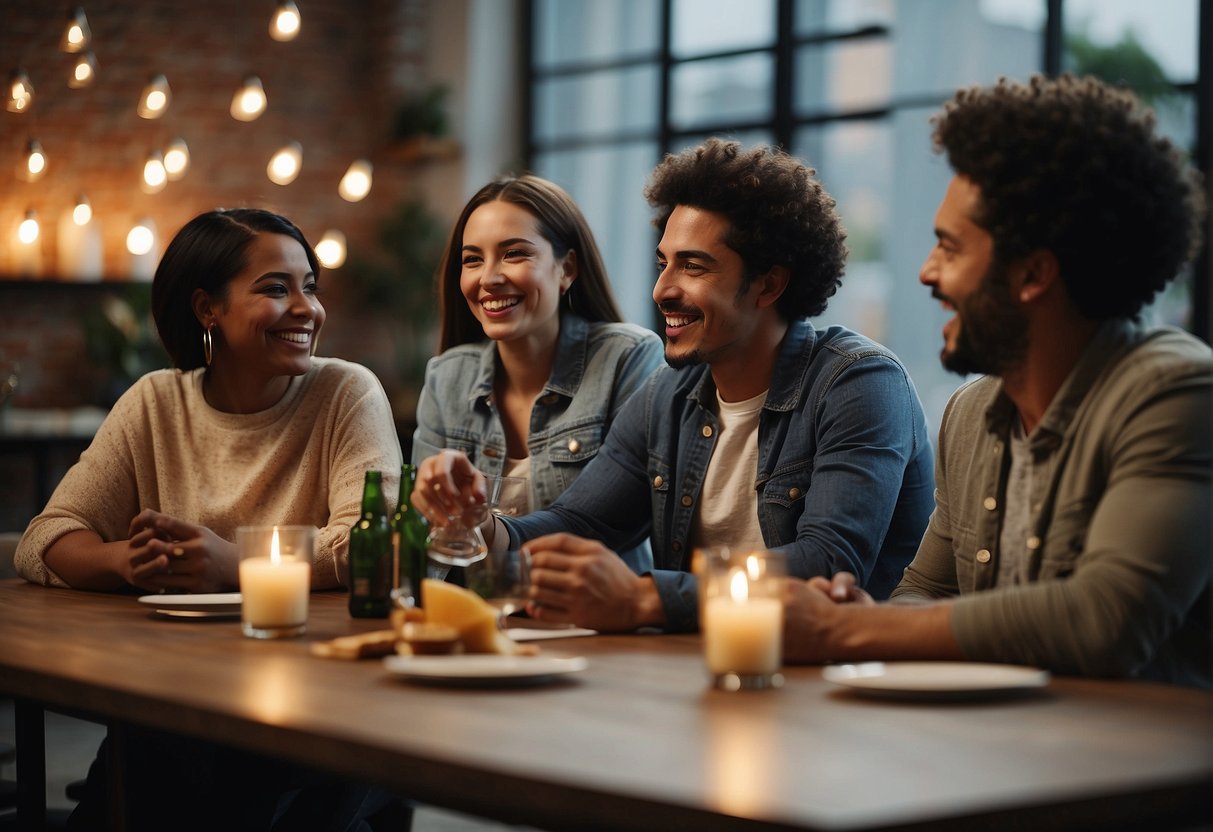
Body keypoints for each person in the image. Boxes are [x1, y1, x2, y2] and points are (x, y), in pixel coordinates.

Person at [783, 74, 1211, 688]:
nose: (928, 274)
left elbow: (1107, 619)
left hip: (1143, 774)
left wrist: (845, 631)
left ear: (1033, 273)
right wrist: (863, 616)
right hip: (998, 761)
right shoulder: (971, 413)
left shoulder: (1174, 395)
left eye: (950, 249)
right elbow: (923, 598)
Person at [414, 139, 935, 633]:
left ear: (770, 284)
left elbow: (825, 564)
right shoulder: (669, 395)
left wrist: (646, 598)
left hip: (847, 687)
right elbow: (577, 521)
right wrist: (480, 523)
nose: (662, 289)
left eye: (693, 266)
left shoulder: (859, 383)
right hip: (697, 676)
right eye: (664, 263)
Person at [14, 208, 405, 829]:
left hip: (323, 706)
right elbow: (46, 537)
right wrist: (125, 560)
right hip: (180, 696)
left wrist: (232, 562)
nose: (307, 308)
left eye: (310, 286)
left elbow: (373, 546)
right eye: (277, 289)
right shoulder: (154, 402)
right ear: (207, 310)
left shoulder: (346, 393)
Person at [411, 174, 663, 572]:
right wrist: (428, 502)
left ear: (567, 269)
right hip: (478, 613)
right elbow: (426, 539)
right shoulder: (447, 376)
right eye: (473, 259)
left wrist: (484, 526)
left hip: (593, 619)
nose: (489, 278)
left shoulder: (628, 358)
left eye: (514, 254)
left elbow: (617, 520)